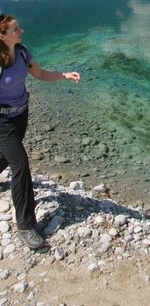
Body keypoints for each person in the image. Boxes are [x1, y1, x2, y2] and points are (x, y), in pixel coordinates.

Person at [0, 14, 80, 251]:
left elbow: (41, 74)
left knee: (6, 156)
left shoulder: (23, 52)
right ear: (2, 35)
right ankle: (26, 226)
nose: (21, 31)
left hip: (20, 115)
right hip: (2, 121)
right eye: (16, 29)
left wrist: (64, 75)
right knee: (21, 166)